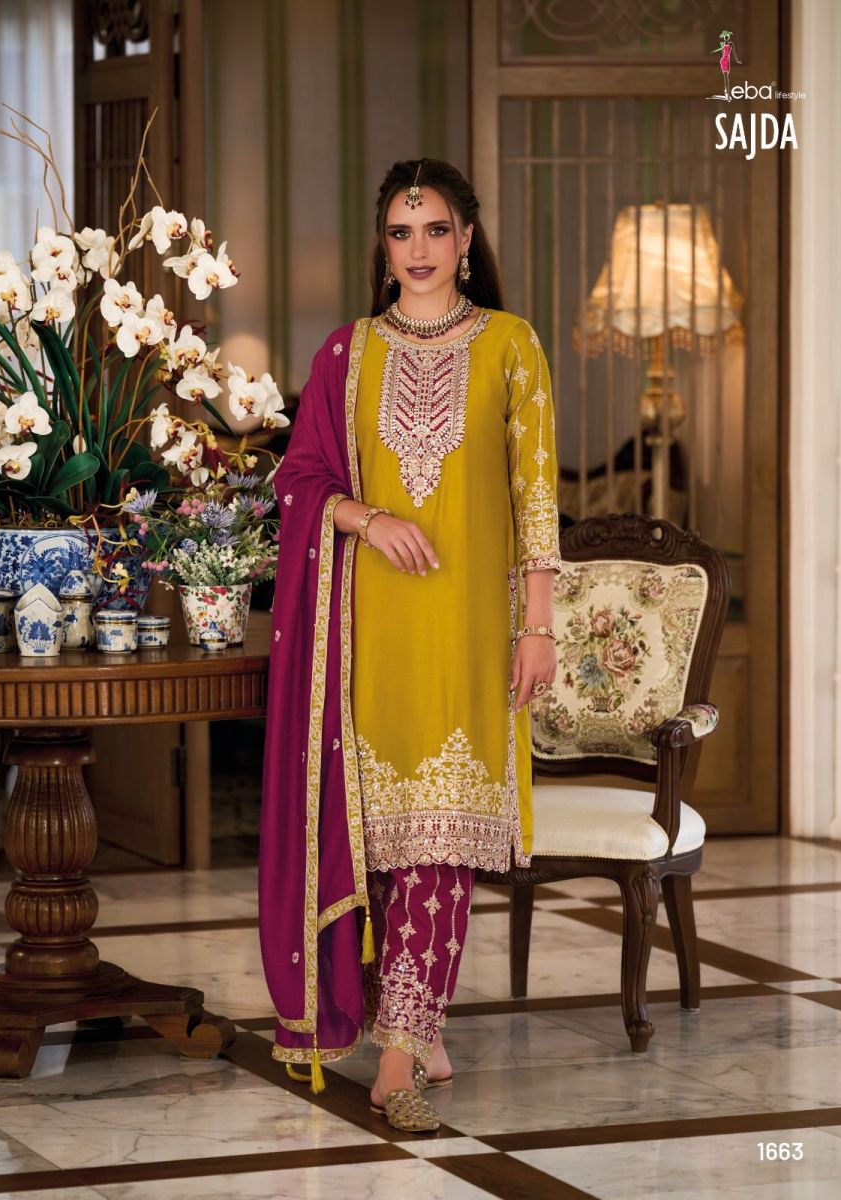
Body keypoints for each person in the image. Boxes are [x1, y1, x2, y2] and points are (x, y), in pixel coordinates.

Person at [259, 158, 561, 1133]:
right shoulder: (346, 355)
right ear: (382, 245)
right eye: (401, 231)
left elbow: (536, 499)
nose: (419, 249)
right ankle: (417, 1023)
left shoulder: (511, 345)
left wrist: (538, 625)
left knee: (442, 838)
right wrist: (364, 516)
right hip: (365, 632)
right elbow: (297, 478)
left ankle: (397, 1060)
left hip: (470, 631)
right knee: (382, 844)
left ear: (466, 239)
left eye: (435, 230)